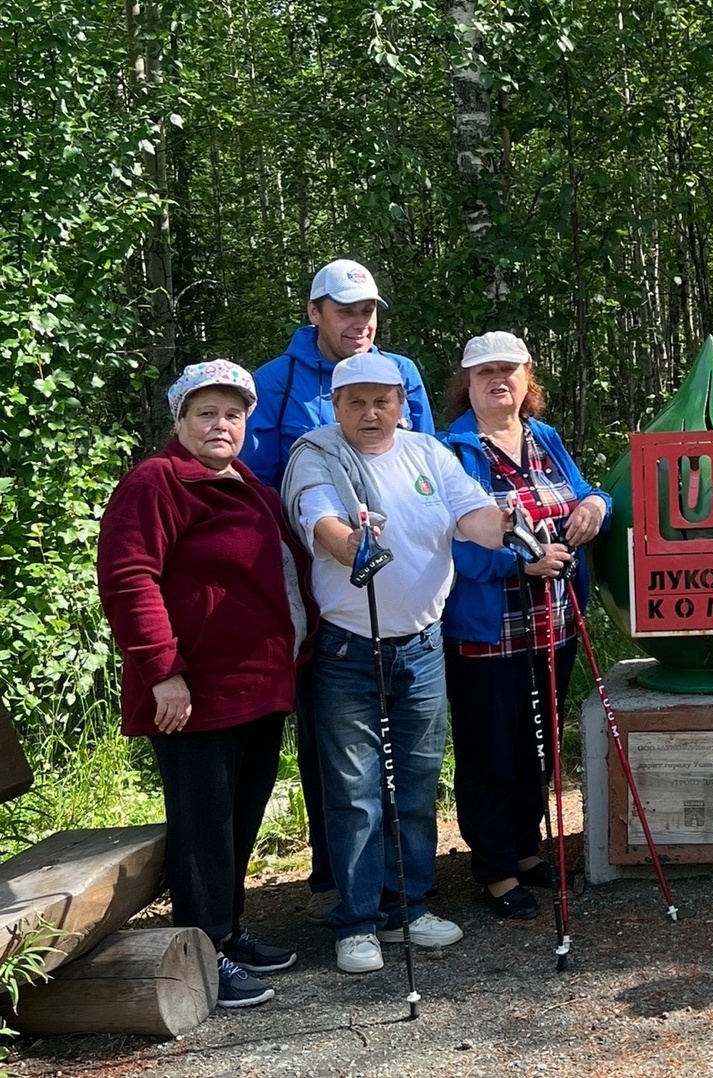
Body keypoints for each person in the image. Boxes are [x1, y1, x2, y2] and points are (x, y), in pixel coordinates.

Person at [281, 352, 511, 974]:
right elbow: (317, 517)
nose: (370, 413)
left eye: (382, 400)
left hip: (422, 645)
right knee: (355, 793)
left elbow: (474, 516)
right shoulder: (317, 452)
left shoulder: (428, 453)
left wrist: (509, 522)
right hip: (348, 648)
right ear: (336, 406)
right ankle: (356, 922)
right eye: (356, 402)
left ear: (401, 403)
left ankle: (406, 907)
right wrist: (352, 543)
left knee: (414, 782)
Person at [97, 361, 312, 1009]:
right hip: (191, 696)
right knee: (203, 828)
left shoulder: (250, 487)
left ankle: (228, 930)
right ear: (181, 420)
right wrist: (162, 670)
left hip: (257, 687)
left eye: (233, 414)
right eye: (206, 413)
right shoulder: (156, 483)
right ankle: (202, 953)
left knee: (238, 821)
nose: (221, 425)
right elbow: (129, 577)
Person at [240, 259, 435, 925]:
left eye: (368, 310)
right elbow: (261, 488)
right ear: (314, 313)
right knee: (342, 750)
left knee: (409, 754)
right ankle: (343, 885)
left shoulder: (400, 371)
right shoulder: (277, 381)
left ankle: (404, 889)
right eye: (346, 310)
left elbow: (422, 463)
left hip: (400, 588)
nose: (361, 322)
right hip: (317, 586)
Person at [439, 331, 611, 919]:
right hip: (488, 630)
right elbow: (450, 544)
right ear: (467, 383)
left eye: (509, 370)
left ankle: (526, 847)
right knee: (491, 747)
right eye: (484, 372)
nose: (498, 381)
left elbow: (584, 492)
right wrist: (520, 559)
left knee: (539, 741)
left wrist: (596, 507)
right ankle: (492, 866)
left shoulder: (544, 437)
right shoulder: (451, 451)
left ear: (527, 377)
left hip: (554, 624)